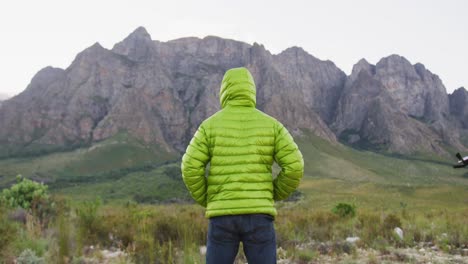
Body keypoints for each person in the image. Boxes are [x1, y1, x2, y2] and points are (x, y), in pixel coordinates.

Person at [181, 67, 304, 264]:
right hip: (259, 215)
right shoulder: (272, 125)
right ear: (251, 90)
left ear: (224, 91)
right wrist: (272, 193)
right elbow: (295, 165)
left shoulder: (208, 126)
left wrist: (209, 199)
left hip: (221, 216)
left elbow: (189, 167)